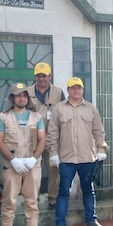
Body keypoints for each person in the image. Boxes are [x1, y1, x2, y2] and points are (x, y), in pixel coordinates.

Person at [47, 77, 108, 226]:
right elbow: (52, 132)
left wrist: (101, 148)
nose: (76, 91)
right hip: (66, 159)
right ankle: (60, 224)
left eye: (79, 88)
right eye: (73, 88)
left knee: (89, 190)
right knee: (63, 192)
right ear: (68, 90)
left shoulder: (91, 109)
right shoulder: (59, 109)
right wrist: (53, 152)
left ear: (82, 90)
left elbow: (99, 131)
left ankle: (91, 220)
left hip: (87, 157)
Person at [0, 83, 46, 226]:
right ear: (12, 98)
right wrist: (13, 159)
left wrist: (33, 158)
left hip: (32, 164)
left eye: (24, 95)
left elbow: (42, 140)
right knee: (9, 201)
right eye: (18, 95)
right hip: (11, 165)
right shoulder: (3, 117)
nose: (21, 98)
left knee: (32, 200)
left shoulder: (36, 117)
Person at [26, 62, 65, 209]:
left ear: (50, 76)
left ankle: (53, 200)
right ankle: (32, 199)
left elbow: (63, 113)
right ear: (35, 76)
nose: (42, 79)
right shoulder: (27, 92)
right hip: (32, 137)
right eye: (39, 76)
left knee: (54, 170)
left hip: (51, 137)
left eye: (45, 76)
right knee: (31, 170)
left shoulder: (58, 92)